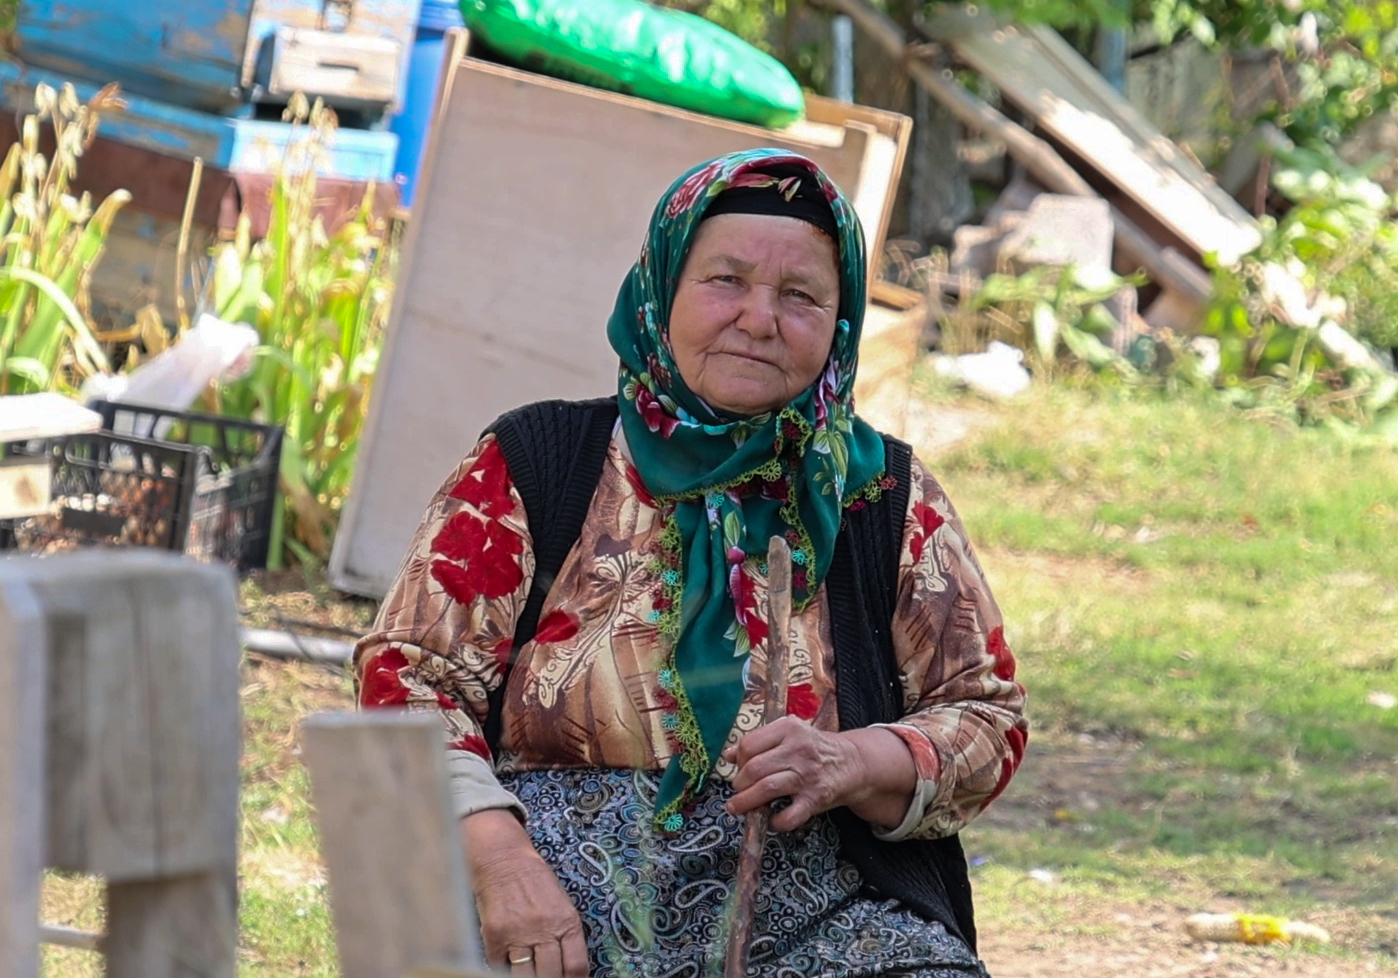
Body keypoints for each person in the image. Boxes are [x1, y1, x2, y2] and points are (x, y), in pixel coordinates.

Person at [355, 148, 1027, 978]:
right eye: (724, 281)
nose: (757, 318)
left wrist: (849, 761)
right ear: (661, 289)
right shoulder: (539, 460)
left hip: (815, 908)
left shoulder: (880, 492)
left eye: (799, 296)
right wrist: (496, 861)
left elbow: (984, 717)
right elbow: (409, 679)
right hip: (543, 902)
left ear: (840, 322)